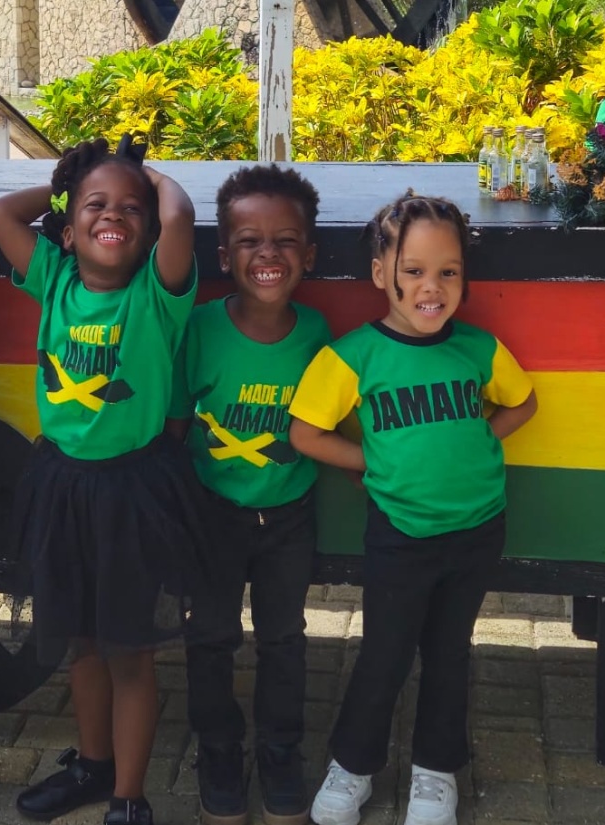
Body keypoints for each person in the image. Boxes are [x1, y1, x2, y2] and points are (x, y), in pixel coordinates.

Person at [288, 193, 538, 825]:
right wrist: (371, 462)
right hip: (399, 535)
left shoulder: (479, 349)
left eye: (448, 271)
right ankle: (352, 766)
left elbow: (522, 403)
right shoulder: (351, 357)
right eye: (414, 271)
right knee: (386, 653)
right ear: (381, 275)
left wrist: (482, 439)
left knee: (450, 652)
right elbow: (305, 433)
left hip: (478, 530)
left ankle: (435, 772)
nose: (432, 287)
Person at [0, 135, 204, 825]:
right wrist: (68, 185)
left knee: (128, 649)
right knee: (79, 641)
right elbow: (0, 215)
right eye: (96, 207)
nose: (115, 216)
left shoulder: (156, 296)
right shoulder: (51, 276)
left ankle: (129, 796)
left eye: (129, 208)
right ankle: (93, 763)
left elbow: (178, 215)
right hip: (60, 485)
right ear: (69, 227)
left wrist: (142, 174)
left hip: (132, 493)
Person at [167, 165, 331, 825]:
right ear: (223, 254)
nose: (268, 254)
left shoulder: (319, 336)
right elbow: (177, 426)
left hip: (289, 514)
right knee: (208, 635)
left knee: (284, 637)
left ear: (310, 254)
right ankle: (218, 746)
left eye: (286, 240)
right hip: (212, 513)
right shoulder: (200, 330)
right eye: (250, 241)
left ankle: (281, 749)